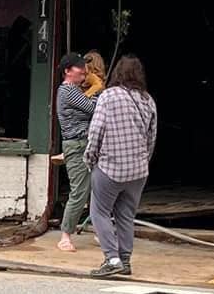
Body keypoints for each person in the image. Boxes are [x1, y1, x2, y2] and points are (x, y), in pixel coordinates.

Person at [84, 55, 159, 278]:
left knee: (99, 212)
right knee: (126, 215)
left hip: (110, 167)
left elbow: (96, 131)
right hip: (138, 171)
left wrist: (90, 158)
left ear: (117, 73)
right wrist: (143, 162)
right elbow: (151, 138)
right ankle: (125, 260)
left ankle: (112, 258)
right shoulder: (148, 100)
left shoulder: (108, 96)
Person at [54, 53, 96, 252]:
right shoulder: (69, 90)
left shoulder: (75, 90)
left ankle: (99, 230)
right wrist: (101, 89)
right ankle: (65, 236)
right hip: (77, 146)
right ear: (67, 71)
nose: (84, 71)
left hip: (87, 145)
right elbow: (94, 108)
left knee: (97, 189)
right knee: (79, 191)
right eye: (80, 68)